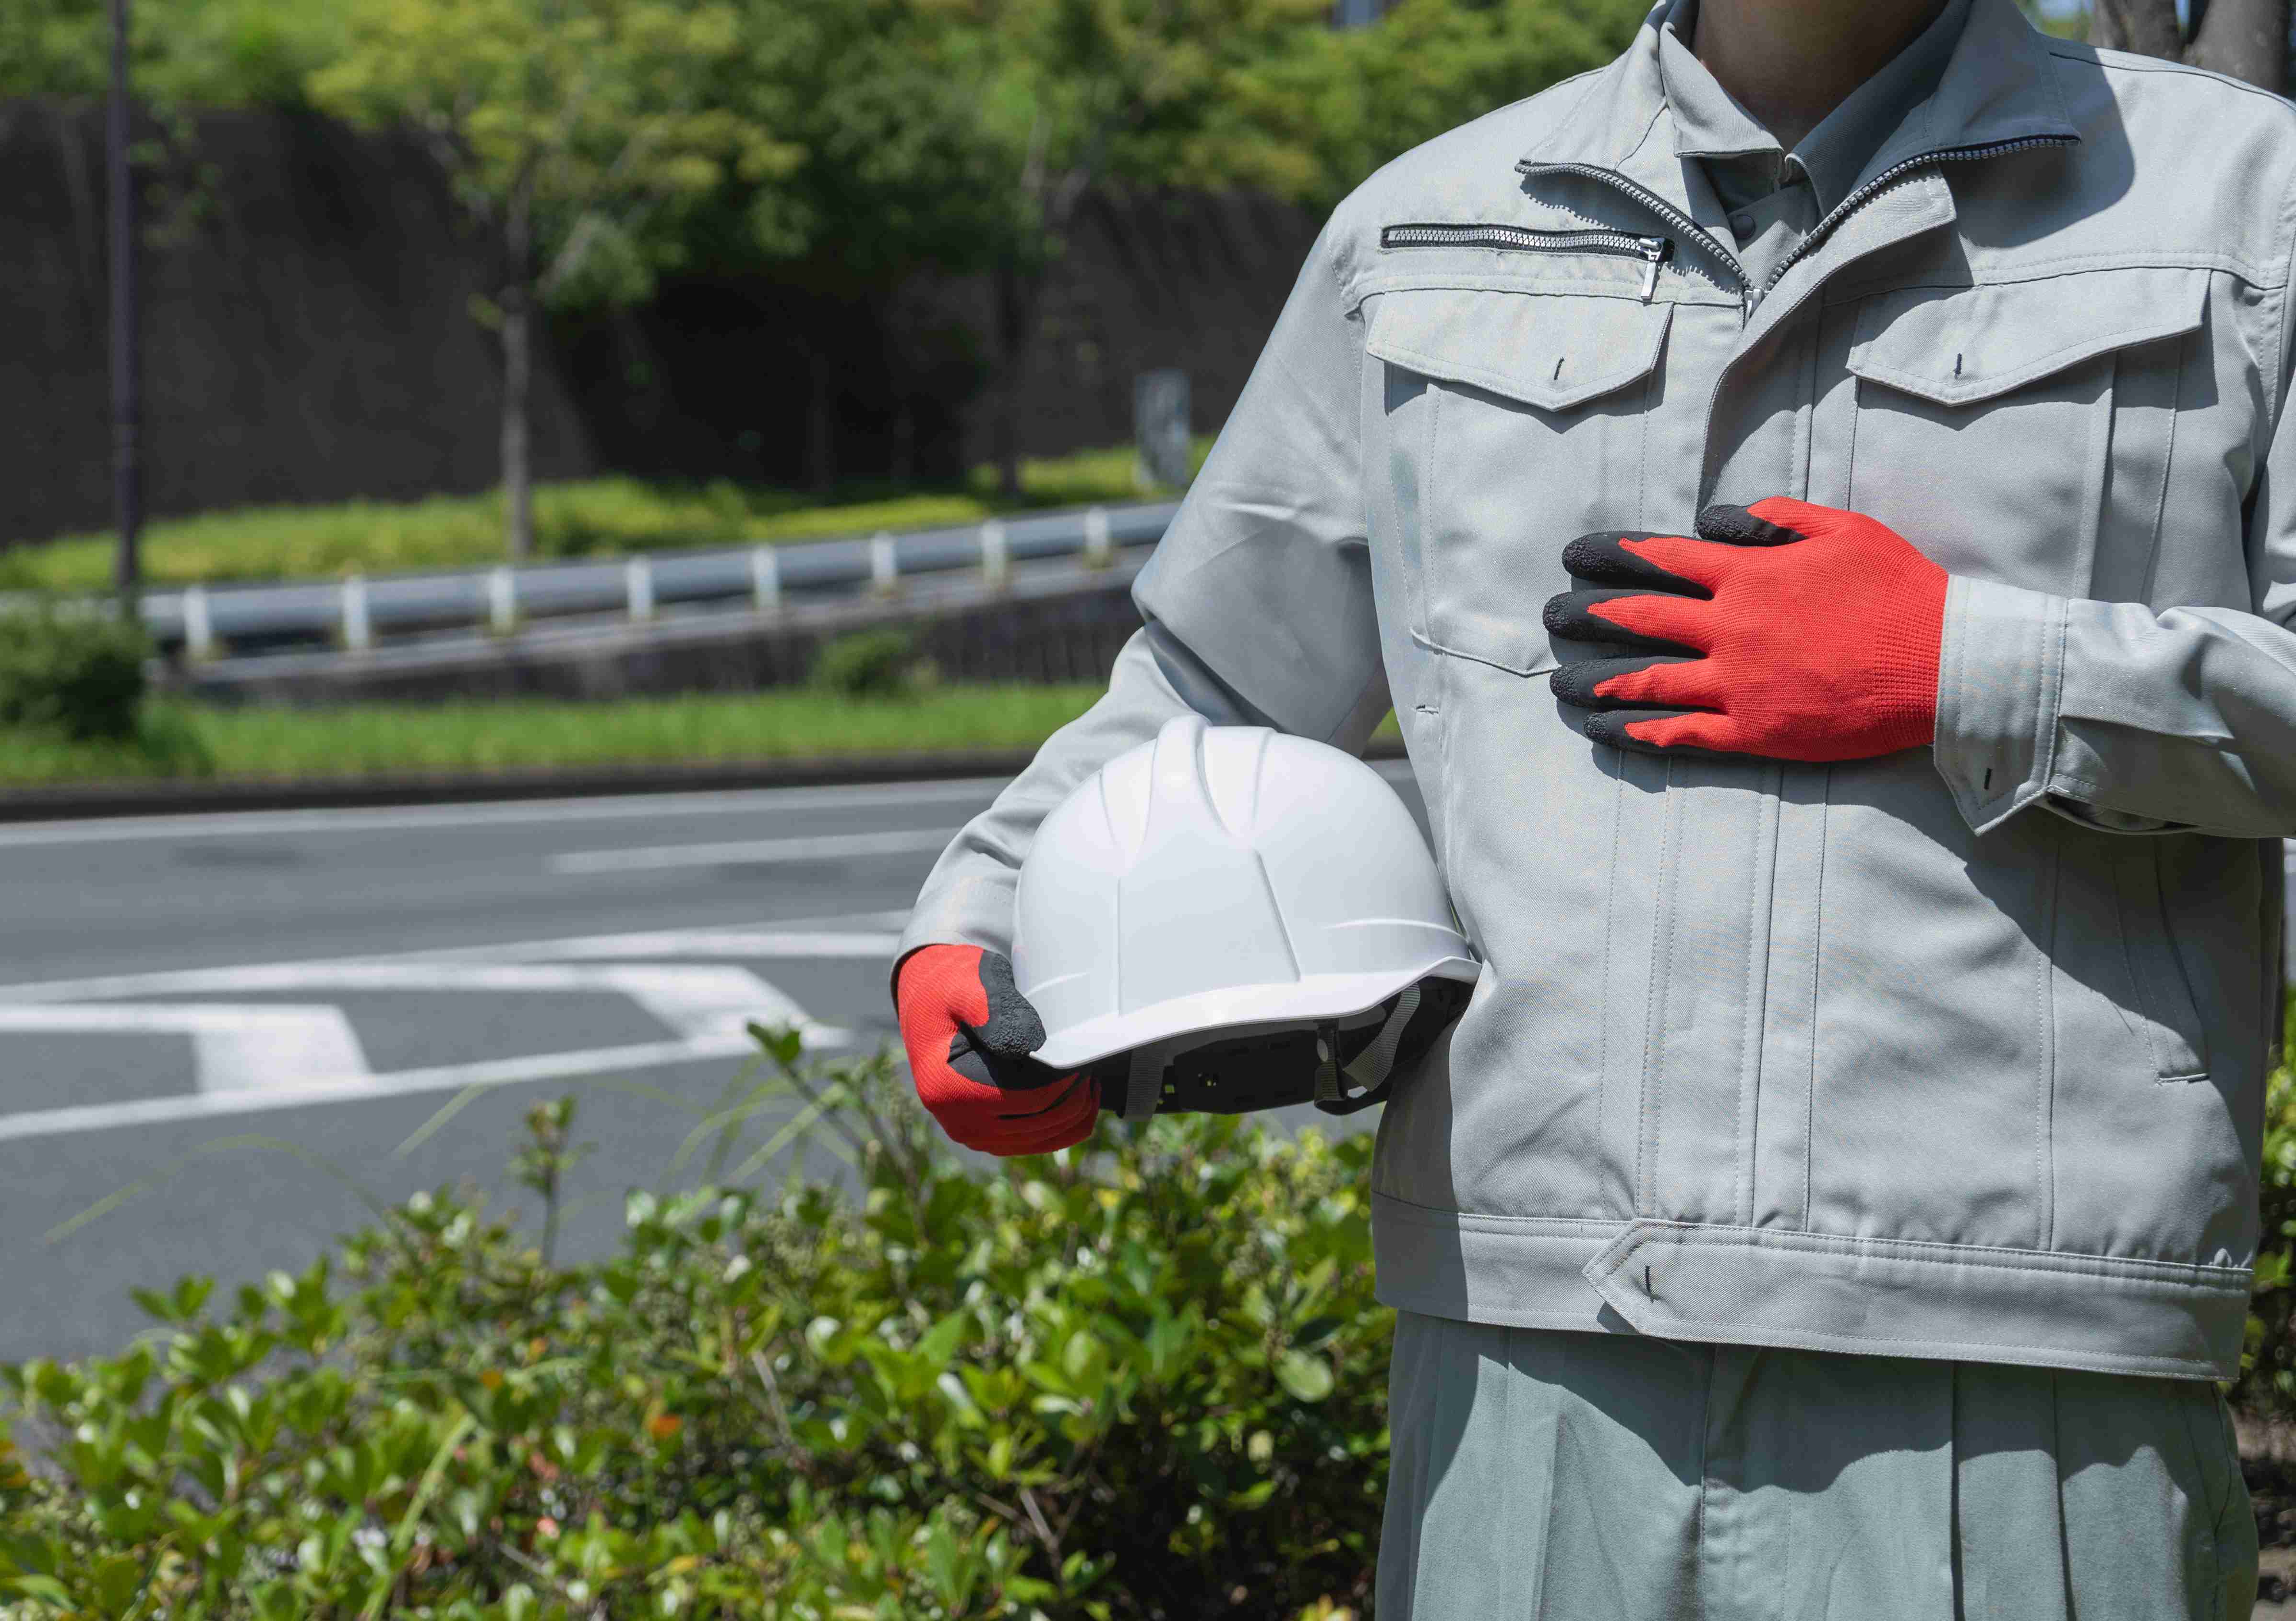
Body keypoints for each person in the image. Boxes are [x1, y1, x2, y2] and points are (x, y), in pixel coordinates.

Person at [892, 0, 2296, 1612]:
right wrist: (987, 917)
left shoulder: (2244, 210)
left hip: (2021, 1373)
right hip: (1527, 1371)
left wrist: (1957, 668)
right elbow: (1212, 684)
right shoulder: (1424, 235)